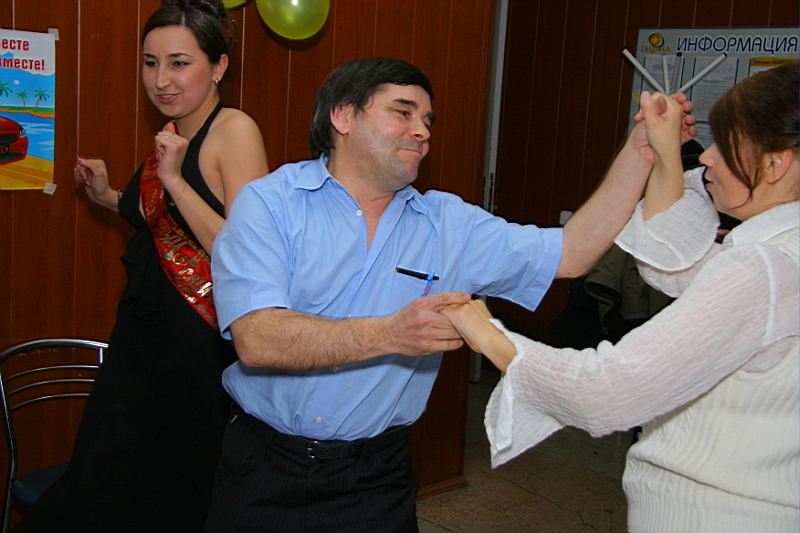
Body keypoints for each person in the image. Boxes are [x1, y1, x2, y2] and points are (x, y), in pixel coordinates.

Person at [207, 56, 696, 533]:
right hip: (263, 464)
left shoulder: (450, 224)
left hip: (376, 474)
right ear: (343, 116)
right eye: (403, 112)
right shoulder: (270, 204)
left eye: (427, 120)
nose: (421, 131)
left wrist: (640, 152)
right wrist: (391, 334)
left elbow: (570, 253)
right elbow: (257, 338)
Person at [441, 63, 799, 533]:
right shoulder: (781, 253)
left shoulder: (762, 269)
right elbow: (677, 262)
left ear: (774, 164)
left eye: (726, 145)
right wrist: (665, 154)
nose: (708, 158)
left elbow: (607, 392)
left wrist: (488, 334)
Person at [12, 1, 269, 532]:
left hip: (197, 344)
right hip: (142, 332)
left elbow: (244, 249)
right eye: (150, 63)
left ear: (218, 66)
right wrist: (109, 196)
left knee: (173, 487)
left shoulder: (235, 130)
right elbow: (162, 222)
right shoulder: (175, 131)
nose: (161, 79)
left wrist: (173, 179)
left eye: (179, 62)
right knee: (106, 477)